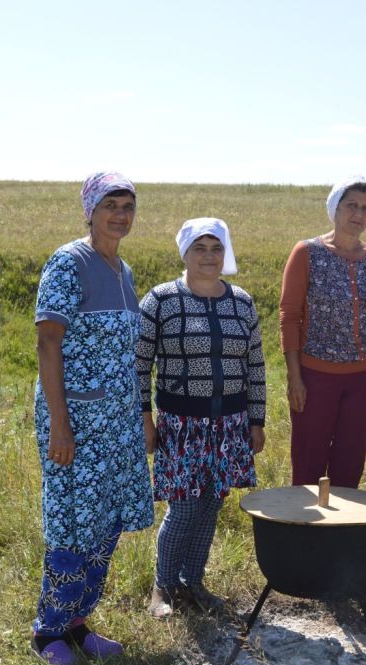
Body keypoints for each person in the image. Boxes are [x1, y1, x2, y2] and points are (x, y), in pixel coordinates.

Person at [31, 171, 154, 665]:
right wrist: (60, 424)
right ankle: (47, 631)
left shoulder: (122, 270)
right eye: (111, 205)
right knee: (72, 525)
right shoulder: (69, 263)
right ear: (90, 209)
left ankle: (78, 623)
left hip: (117, 425)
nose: (120, 215)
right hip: (77, 422)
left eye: (128, 205)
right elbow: (47, 343)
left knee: (104, 524)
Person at [136, 218, 266, 617]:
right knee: (185, 508)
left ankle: (193, 582)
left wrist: (256, 420)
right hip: (181, 425)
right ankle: (163, 585)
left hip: (230, 424)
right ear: (185, 253)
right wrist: (145, 419)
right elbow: (140, 366)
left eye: (216, 248)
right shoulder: (161, 300)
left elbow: (256, 365)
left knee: (211, 504)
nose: (208, 256)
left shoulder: (241, 302)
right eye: (200, 248)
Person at [279, 175, 366, 488]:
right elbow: (289, 316)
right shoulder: (307, 253)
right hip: (315, 377)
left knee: (350, 461)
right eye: (351, 205)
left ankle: (342, 533)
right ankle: (303, 530)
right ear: (335, 208)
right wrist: (295, 377)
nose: (358, 214)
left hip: (364, 378)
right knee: (308, 459)